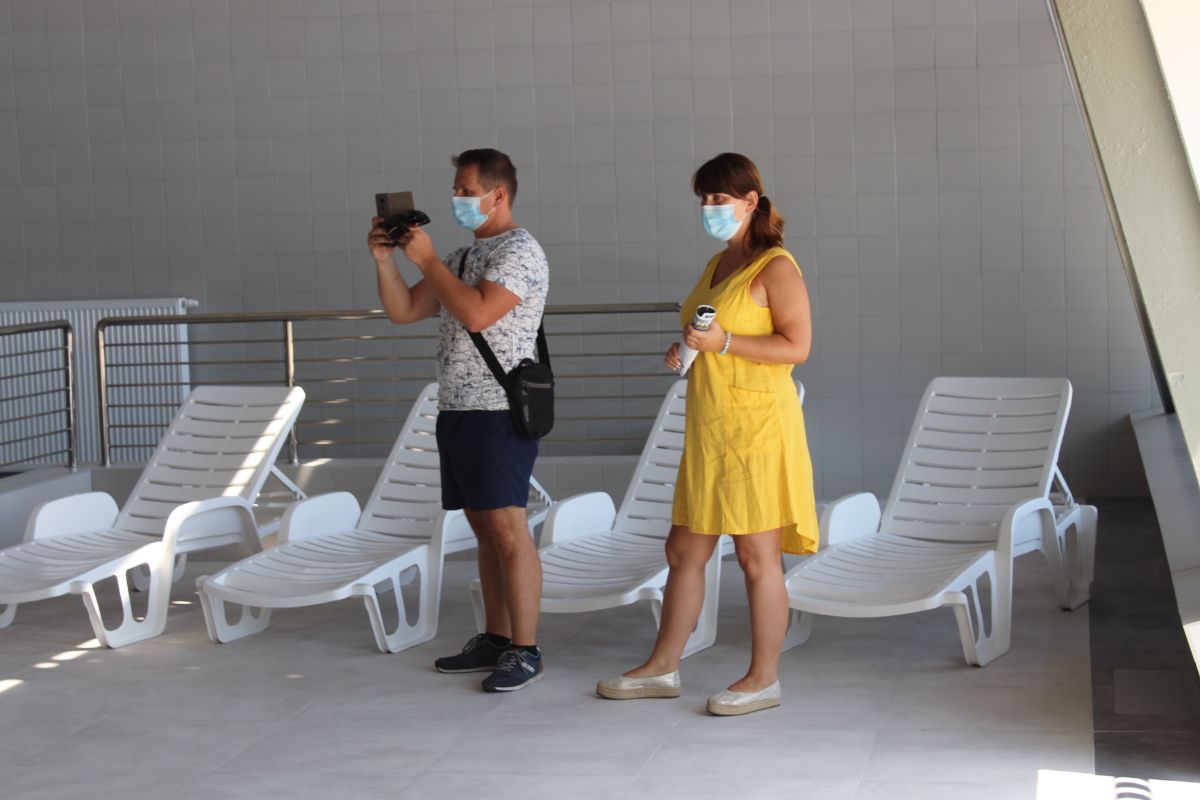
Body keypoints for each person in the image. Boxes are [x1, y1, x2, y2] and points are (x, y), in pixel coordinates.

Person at [596, 152, 818, 716]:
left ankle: (763, 678)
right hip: (711, 429)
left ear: (751, 201)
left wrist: (725, 344)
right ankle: (663, 666)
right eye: (704, 199)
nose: (709, 208)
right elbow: (708, 331)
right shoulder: (719, 263)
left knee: (755, 556)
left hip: (757, 431)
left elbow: (797, 347)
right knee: (683, 548)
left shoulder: (776, 268)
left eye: (720, 198)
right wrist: (686, 349)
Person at [367, 148, 549, 693]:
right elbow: (404, 310)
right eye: (455, 190)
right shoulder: (462, 256)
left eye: (467, 190)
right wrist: (385, 260)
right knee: (483, 528)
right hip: (458, 409)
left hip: (499, 410)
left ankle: (526, 648)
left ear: (499, 194)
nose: (457, 199)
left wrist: (427, 263)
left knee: (508, 529)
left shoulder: (519, 251)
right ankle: (496, 637)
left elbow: (476, 313)